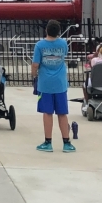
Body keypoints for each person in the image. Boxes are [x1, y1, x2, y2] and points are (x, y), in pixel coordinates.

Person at [32, 19, 74, 153]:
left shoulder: (40, 45)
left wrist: (34, 75)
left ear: (46, 30)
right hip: (60, 82)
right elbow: (64, 55)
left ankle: (48, 142)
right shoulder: (63, 43)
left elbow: (35, 64)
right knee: (62, 113)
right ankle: (66, 142)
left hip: (45, 83)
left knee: (47, 113)